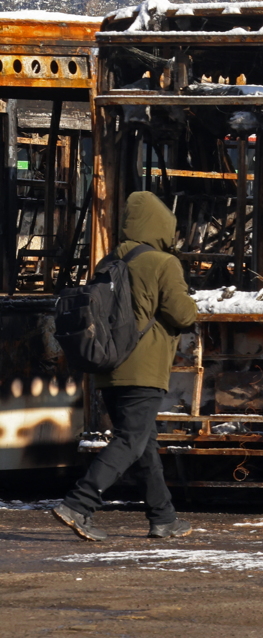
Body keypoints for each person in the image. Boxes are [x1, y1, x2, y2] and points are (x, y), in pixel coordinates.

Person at [52, 191, 199, 541]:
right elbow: (184, 314)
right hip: (143, 370)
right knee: (131, 441)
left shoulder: (109, 262)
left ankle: (163, 517)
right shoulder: (163, 263)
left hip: (108, 367)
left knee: (143, 443)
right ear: (163, 226)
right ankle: (79, 503)